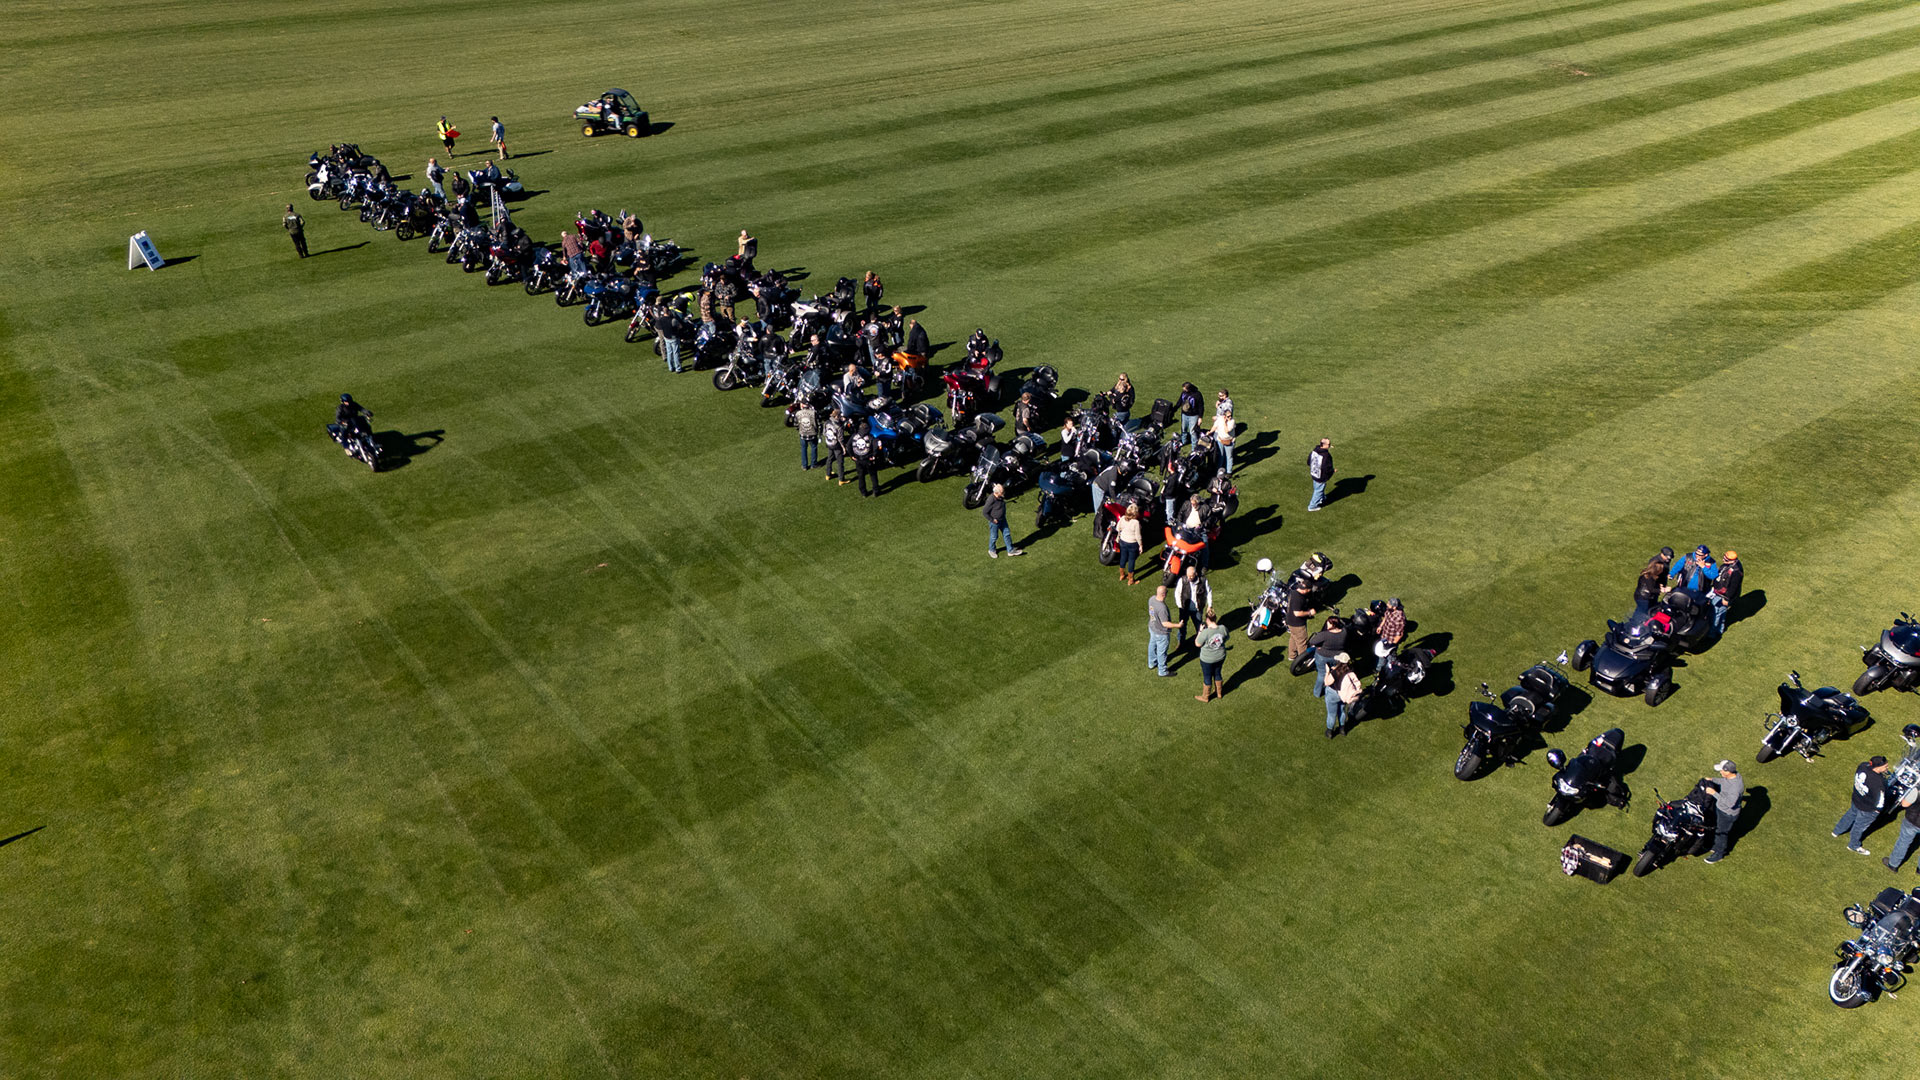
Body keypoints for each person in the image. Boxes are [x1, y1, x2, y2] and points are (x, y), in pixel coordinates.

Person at [1833, 755, 1891, 855]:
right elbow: (1880, 801)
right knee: (1859, 827)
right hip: (1868, 808)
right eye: (1885, 766)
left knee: (1850, 815)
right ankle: (1853, 845)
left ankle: (1837, 831)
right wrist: (1877, 811)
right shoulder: (1879, 782)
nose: (1887, 768)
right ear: (1878, 767)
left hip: (1856, 799)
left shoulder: (1863, 766)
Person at [1702, 760, 1744, 864]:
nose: (1720, 772)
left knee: (1721, 833)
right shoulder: (1732, 776)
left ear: (1728, 771)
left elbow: (1730, 804)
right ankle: (1715, 846)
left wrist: (1714, 793)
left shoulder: (1735, 787)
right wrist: (1712, 779)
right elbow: (1724, 782)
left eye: (1721, 770)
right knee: (1716, 828)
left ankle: (1719, 853)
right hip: (1721, 809)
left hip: (1727, 814)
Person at [1883, 766, 1920, 872]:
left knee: (1903, 842)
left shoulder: (1917, 789)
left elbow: (1904, 804)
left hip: (1912, 820)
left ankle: (1893, 864)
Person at [1307, 615, 1349, 698]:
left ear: (1333, 625)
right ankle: (1333, 686)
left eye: (1329, 624)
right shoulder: (1344, 632)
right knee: (1335, 673)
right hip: (1337, 657)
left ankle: (1317, 693)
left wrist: (1319, 646)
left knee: (1322, 674)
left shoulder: (1324, 635)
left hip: (1323, 657)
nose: (1327, 625)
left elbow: (1312, 641)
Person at [1172, 565, 1212, 647]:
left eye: (1191, 576)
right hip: (1184, 607)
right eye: (1188, 575)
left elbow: (1209, 592)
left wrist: (1210, 605)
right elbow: (1177, 593)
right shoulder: (1182, 580)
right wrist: (1180, 605)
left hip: (1197, 608)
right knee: (1182, 626)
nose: (1189, 578)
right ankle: (1181, 642)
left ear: (1196, 574)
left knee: (1199, 625)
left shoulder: (1203, 580)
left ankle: (1200, 642)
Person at [1324, 654, 1362, 738]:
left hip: (1333, 694)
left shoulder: (1335, 672)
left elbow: (1327, 682)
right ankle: (1342, 729)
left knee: (1331, 713)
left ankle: (1330, 731)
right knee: (1342, 710)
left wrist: (1327, 672)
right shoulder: (1351, 669)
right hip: (1344, 694)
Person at [1195, 612, 1230, 702]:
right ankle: (1219, 693)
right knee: (1217, 673)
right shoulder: (1223, 628)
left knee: (1207, 676)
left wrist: (1200, 631)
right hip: (1220, 656)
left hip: (1207, 659)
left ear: (1207, 620)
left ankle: (1205, 697)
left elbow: (1197, 643)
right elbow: (1227, 637)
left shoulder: (1206, 632)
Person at [984, 484, 1023, 557]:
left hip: (1002, 519)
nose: (1003, 493)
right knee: (994, 536)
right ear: (997, 493)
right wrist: (992, 520)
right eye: (1002, 492)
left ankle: (1010, 550)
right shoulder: (991, 500)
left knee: (1007, 534)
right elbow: (985, 512)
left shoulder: (1000, 497)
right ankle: (991, 550)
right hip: (995, 522)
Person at [1284, 577, 1317, 663]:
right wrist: (1309, 612)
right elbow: (1297, 613)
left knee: (1294, 637)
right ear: (1307, 589)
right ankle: (1303, 660)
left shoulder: (1294, 592)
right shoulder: (1298, 598)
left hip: (1290, 621)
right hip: (1297, 624)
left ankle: (1292, 655)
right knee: (1302, 641)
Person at [1148, 586, 1178, 677]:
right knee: (1162, 652)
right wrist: (1178, 625)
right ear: (1164, 594)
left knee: (1152, 645)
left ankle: (1152, 663)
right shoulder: (1162, 608)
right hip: (1161, 632)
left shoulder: (1152, 599)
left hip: (1152, 627)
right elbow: (1165, 623)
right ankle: (1162, 671)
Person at [1710, 550, 1743, 634]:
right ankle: (1719, 630)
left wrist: (1727, 598)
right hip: (1719, 592)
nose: (1723, 560)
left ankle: (1712, 634)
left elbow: (1733, 587)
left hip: (1724, 595)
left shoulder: (1736, 571)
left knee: (1716, 613)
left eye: (1726, 559)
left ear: (1733, 560)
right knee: (1721, 613)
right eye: (1724, 557)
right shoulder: (1728, 565)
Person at [1632, 550, 1671, 620]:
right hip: (1643, 597)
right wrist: (1663, 590)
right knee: (1641, 613)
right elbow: (1651, 589)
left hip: (1643, 597)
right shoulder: (1649, 577)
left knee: (1640, 612)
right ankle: (1632, 625)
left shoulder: (1650, 575)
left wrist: (1659, 586)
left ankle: (1632, 624)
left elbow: (1650, 586)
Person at [1116, 505, 1143, 585]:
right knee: (1131, 560)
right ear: (1135, 514)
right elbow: (1138, 536)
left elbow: (1118, 528)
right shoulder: (1136, 522)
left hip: (1123, 541)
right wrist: (1140, 545)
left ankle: (1122, 575)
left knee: (1123, 557)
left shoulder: (1123, 518)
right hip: (1132, 543)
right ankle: (1131, 580)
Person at [849, 426, 879, 498]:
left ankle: (863, 492)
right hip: (868, 460)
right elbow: (876, 446)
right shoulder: (870, 437)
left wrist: (851, 455)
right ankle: (876, 491)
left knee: (861, 476)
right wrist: (874, 455)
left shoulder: (854, 436)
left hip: (858, 460)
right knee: (873, 475)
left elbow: (848, 445)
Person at [1375, 598, 1406, 666]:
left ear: (1394, 607)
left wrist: (1391, 646)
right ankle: (1379, 668)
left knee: (1390, 659)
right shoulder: (1389, 609)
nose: (1387, 604)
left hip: (1391, 642)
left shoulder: (1399, 618)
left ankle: (1389, 669)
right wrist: (1380, 626)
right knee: (1381, 655)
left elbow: (1400, 634)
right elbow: (1386, 617)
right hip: (1384, 638)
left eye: (1389, 604)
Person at [823, 410, 849, 485]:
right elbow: (840, 439)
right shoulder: (839, 426)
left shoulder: (827, 422)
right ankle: (841, 479)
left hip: (829, 443)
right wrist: (843, 448)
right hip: (836, 445)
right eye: (840, 415)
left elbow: (824, 432)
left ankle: (828, 474)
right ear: (837, 416)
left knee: (830, 458)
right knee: (840, 462)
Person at [1307, 438, 1334, 511]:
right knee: (1318, 490)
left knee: (1317, 487)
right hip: (1321, 476)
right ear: (1324, 445)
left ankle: (1321, 498)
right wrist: (1332, 471)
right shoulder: (1326, 455)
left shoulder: (1315, 450)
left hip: (1314, 473)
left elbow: (1309, 461)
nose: (1330, 445)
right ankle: (1312, 506)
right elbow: (1327, 467)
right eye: (1329, 444)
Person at [795, 398, 819, 471]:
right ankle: (813, 464)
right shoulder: (813, 413)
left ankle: (804, 466)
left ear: (802, 405)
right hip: (812, 433)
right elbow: (817, 423)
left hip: (802, 434)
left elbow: (796, 424)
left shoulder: (798, 413)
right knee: (814, 447)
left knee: (803, 449)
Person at [1209, 408, 1235, 475]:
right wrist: (1210, 432)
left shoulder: (1232, 421)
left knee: (1229, 457)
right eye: (1228, 416)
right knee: (1221, 456)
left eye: (1230, 415)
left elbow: (1227, 430)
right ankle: (1219, 470)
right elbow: (1215, 426)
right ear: (1224, 416)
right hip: (1220, 440)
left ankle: (1229, 472)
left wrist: (1225, 422)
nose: (1230, 417)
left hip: (1229, 442)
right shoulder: (1219, 419)